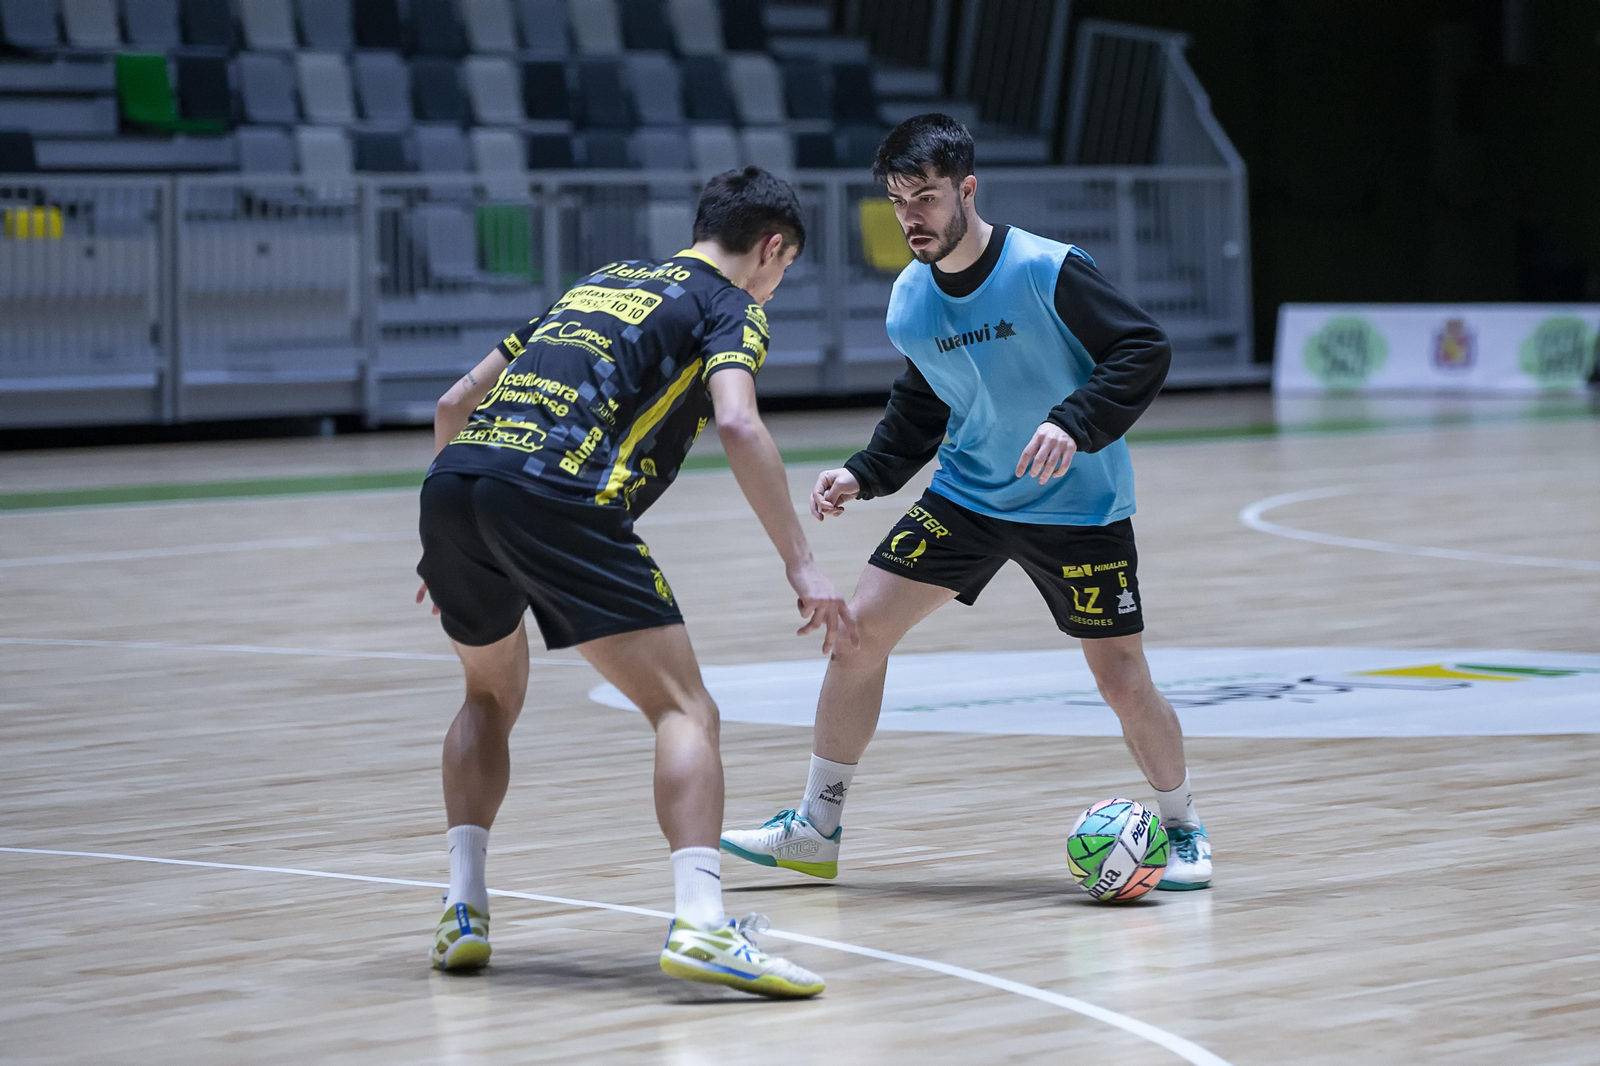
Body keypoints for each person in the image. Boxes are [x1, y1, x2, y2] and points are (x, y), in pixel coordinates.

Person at [720, 114, 1213, 891]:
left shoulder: (1047, 270)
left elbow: (1142, 349)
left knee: (1121, 679)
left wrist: (1074, 423)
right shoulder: (911, 300)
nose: (912, 217)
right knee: (857, 636)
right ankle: (816, 828)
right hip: (968, 496)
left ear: (968, 190)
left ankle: (1183, 829)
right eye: (897, 200)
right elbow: (924, 403)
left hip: (1077, 508)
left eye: (926, 197)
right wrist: (865, 473)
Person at [415, 167, 854, 998]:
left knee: (486, 698)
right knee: (685, 709)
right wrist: (802, 563)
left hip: (456, 488)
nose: (779, 281)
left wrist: (446, 539)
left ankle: (463, 907)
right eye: (785, 266)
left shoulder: (604, 279)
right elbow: (736, 420)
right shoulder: (731, 305)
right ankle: (701, 925)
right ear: (770, 248)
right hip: (557, 494)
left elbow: (453, 404)